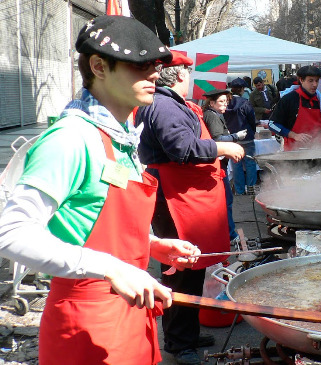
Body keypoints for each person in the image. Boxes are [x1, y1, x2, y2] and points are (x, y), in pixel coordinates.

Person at [0, 16, 201, 364]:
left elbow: (84, 219)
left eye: (155, 65)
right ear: (98, 67)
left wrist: (150, 245)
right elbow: (11, 232)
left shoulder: (121, 137)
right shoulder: (70, 139)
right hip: (86, 323)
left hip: (132, 315)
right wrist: (111, 267)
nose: (154, 74)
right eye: (140, 65)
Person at [136, 51, 245, 365]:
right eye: (189, 71)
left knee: (193, 267)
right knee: (180, 270)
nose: (192, 77)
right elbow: (182, 148)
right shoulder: (164, 105)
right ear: (181, 74)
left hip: (187, 195)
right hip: (175, 197)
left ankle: (187, 333)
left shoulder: (170, 102)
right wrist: (222, 147)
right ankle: (180, 345)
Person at [202, 88, 246, 244]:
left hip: (219, 162)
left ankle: (227, 232)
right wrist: (235, 136)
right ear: (212, 103)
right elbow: (218, 138)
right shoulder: (212, 116)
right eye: (221, 101)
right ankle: (230, 235)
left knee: (225, 200)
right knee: (225, 200)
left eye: (226, 101)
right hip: (217, 164)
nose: (225, 104)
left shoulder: (214, 114)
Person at [269, 66, 321, 150]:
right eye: (310, 81)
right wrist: (294, 135)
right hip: (294, 152)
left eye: (317, 80)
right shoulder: (289, 99)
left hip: (318, 150)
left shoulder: (320, 100)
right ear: (301, 80)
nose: (315, 84)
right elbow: (272, 124)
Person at [225, 78, 258, 195]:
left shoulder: (226, 103)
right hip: (247, 137)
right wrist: (253, 132)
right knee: (250, 163)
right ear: (242, 90)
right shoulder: (245, 102)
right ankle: (251, 189)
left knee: (236, 165)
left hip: (232, 138)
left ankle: (239, 190)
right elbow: (252, 120)